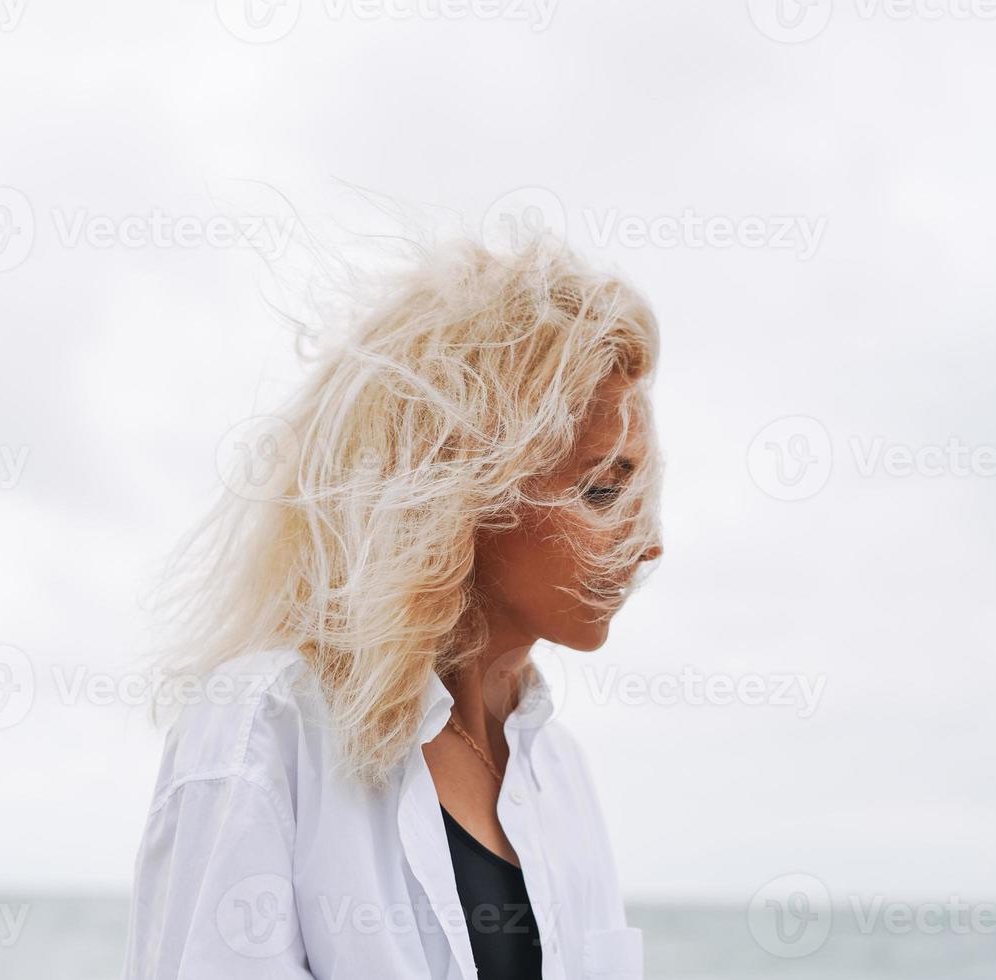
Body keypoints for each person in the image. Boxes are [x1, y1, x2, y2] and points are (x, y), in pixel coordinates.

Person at [121, 235, 665, 979]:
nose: (648, 541)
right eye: (603, 488)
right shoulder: (266, 729)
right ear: (458, 486)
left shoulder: (557, 770)